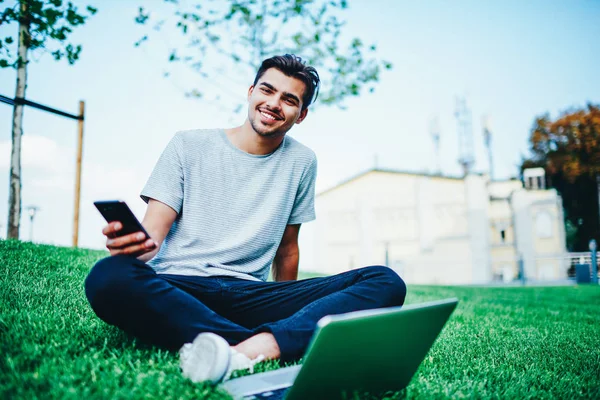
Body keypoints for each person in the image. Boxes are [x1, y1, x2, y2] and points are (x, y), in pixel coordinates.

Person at [85, 54, 407, 384]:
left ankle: (251, 345)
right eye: (267, 90)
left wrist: (291, 311)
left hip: (251, 294)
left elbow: (287, 249)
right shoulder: (188, 145)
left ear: (301, 115)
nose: (273, 103)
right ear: (251, 91)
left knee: (385, 281)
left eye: (289, 99)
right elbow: (152, 234)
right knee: (109, 276)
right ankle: (262, 345)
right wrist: (131, 247)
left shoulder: (302, 162)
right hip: (181, 286)